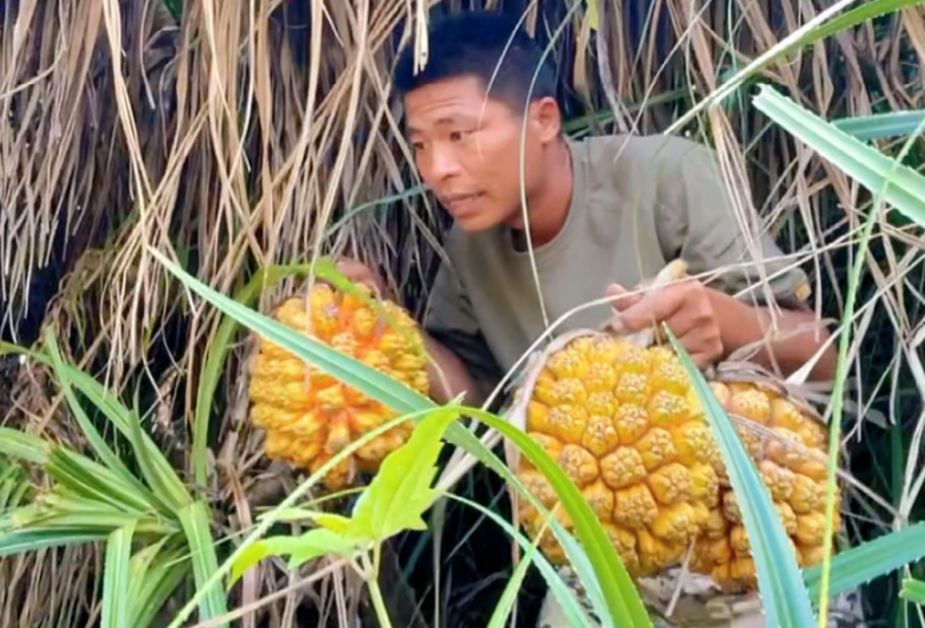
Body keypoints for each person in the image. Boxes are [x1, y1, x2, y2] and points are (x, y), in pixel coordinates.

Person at [336, 9, 865, 628]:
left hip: (750, 551)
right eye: (420, 144)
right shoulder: (468, 249)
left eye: (460, 135)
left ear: (543, 119)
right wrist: (382, 329)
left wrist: (722, 319)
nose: (437, 170)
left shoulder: (665, 176)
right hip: (601, 558)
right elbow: (471, 404)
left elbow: (823, 353)